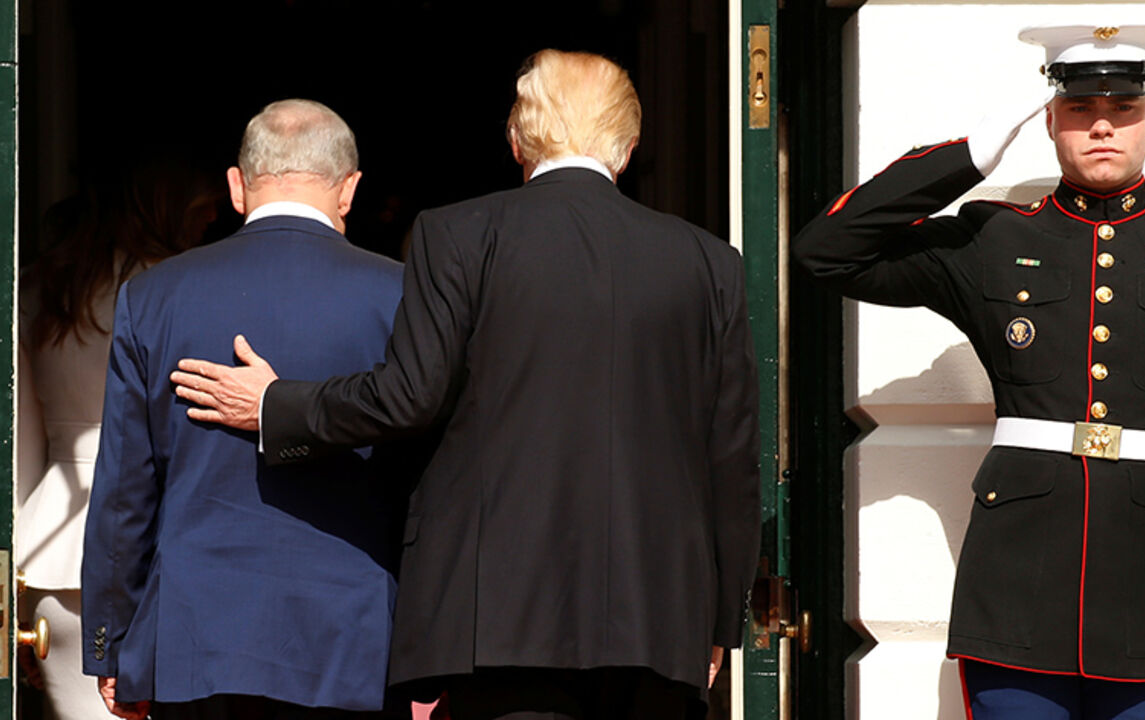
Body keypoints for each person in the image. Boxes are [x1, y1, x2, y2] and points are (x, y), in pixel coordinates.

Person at [169, 50, 761, 720]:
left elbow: (408, 396)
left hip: (500, 617)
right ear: (627, 149)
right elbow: (732, 460)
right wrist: (718, 622)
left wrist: (278, 406)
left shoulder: (460, 234)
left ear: (516, 141)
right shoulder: (710, 263)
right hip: (661, 619)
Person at [792, 24, 1145, 720]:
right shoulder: (993, 238)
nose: (1102, 125)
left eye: (1124, 108)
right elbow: (825, 251)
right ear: (1050, 118)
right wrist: (968, 156)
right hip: (1015, 595)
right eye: (1079, 109)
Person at [80, 99, 413, 720]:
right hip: (353, 641)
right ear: (350, 190)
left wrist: (114, 645)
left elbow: (125, 491)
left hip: (196, 641)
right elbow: (426, 479)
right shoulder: (401, 297)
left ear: (237, 187)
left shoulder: (154, 297)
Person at [17, 159, 219, 720]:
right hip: (166, 540)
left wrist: (15, 583)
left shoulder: (38, 286)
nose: (213, 222)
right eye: (203, 211)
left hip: (54, 550)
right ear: (169, 204)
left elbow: (18, 449)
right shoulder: (188, 287)